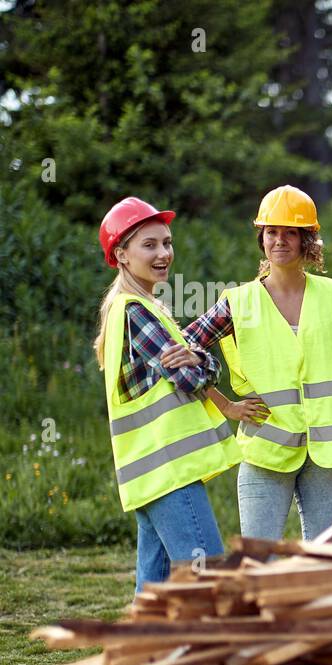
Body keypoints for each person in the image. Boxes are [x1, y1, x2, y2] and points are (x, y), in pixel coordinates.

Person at [184, 185, 332, 541]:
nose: (280, 241)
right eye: (272, 232)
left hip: (328, 450)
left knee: (323, 557)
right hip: (265, 451)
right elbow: (184, 349)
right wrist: (225, 405)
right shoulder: (237, 302)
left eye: (291, 233)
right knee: (258, 557)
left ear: (307, 241)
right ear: (262, 238)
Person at [94, 197, 240, 590]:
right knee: (208, 577)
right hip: (167, 471)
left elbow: (191, 367)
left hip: (150, 474)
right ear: (121, 255)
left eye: (167, 243)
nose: (164, 254)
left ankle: (141, 653)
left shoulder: (142, 307)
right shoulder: (133, 310)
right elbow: (192, 378)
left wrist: (196, 359)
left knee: (154, 589)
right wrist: (201, 361)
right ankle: (213, 651)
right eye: (150, 245)